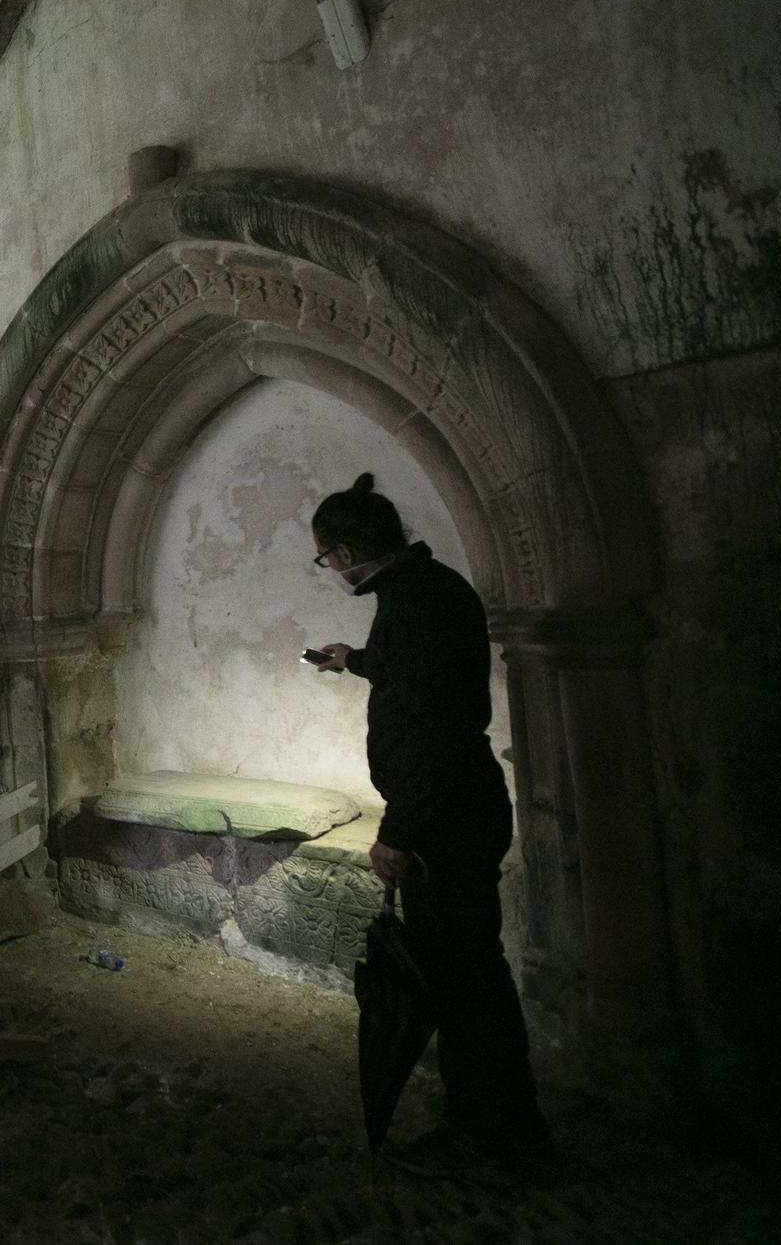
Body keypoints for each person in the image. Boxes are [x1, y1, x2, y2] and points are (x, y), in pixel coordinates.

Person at [310, 472, 551, 1164]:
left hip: (445, 817)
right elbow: (408, 671)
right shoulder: (423, 589)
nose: (331, 570)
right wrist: (351, 660)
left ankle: (496, 1131)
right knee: (462, 969)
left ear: (350, 550)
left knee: (465, 977)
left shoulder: (415, 603)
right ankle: (491, 1120)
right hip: (455, 807)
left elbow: (438, 731)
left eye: (327, 558)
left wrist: (398, 835)